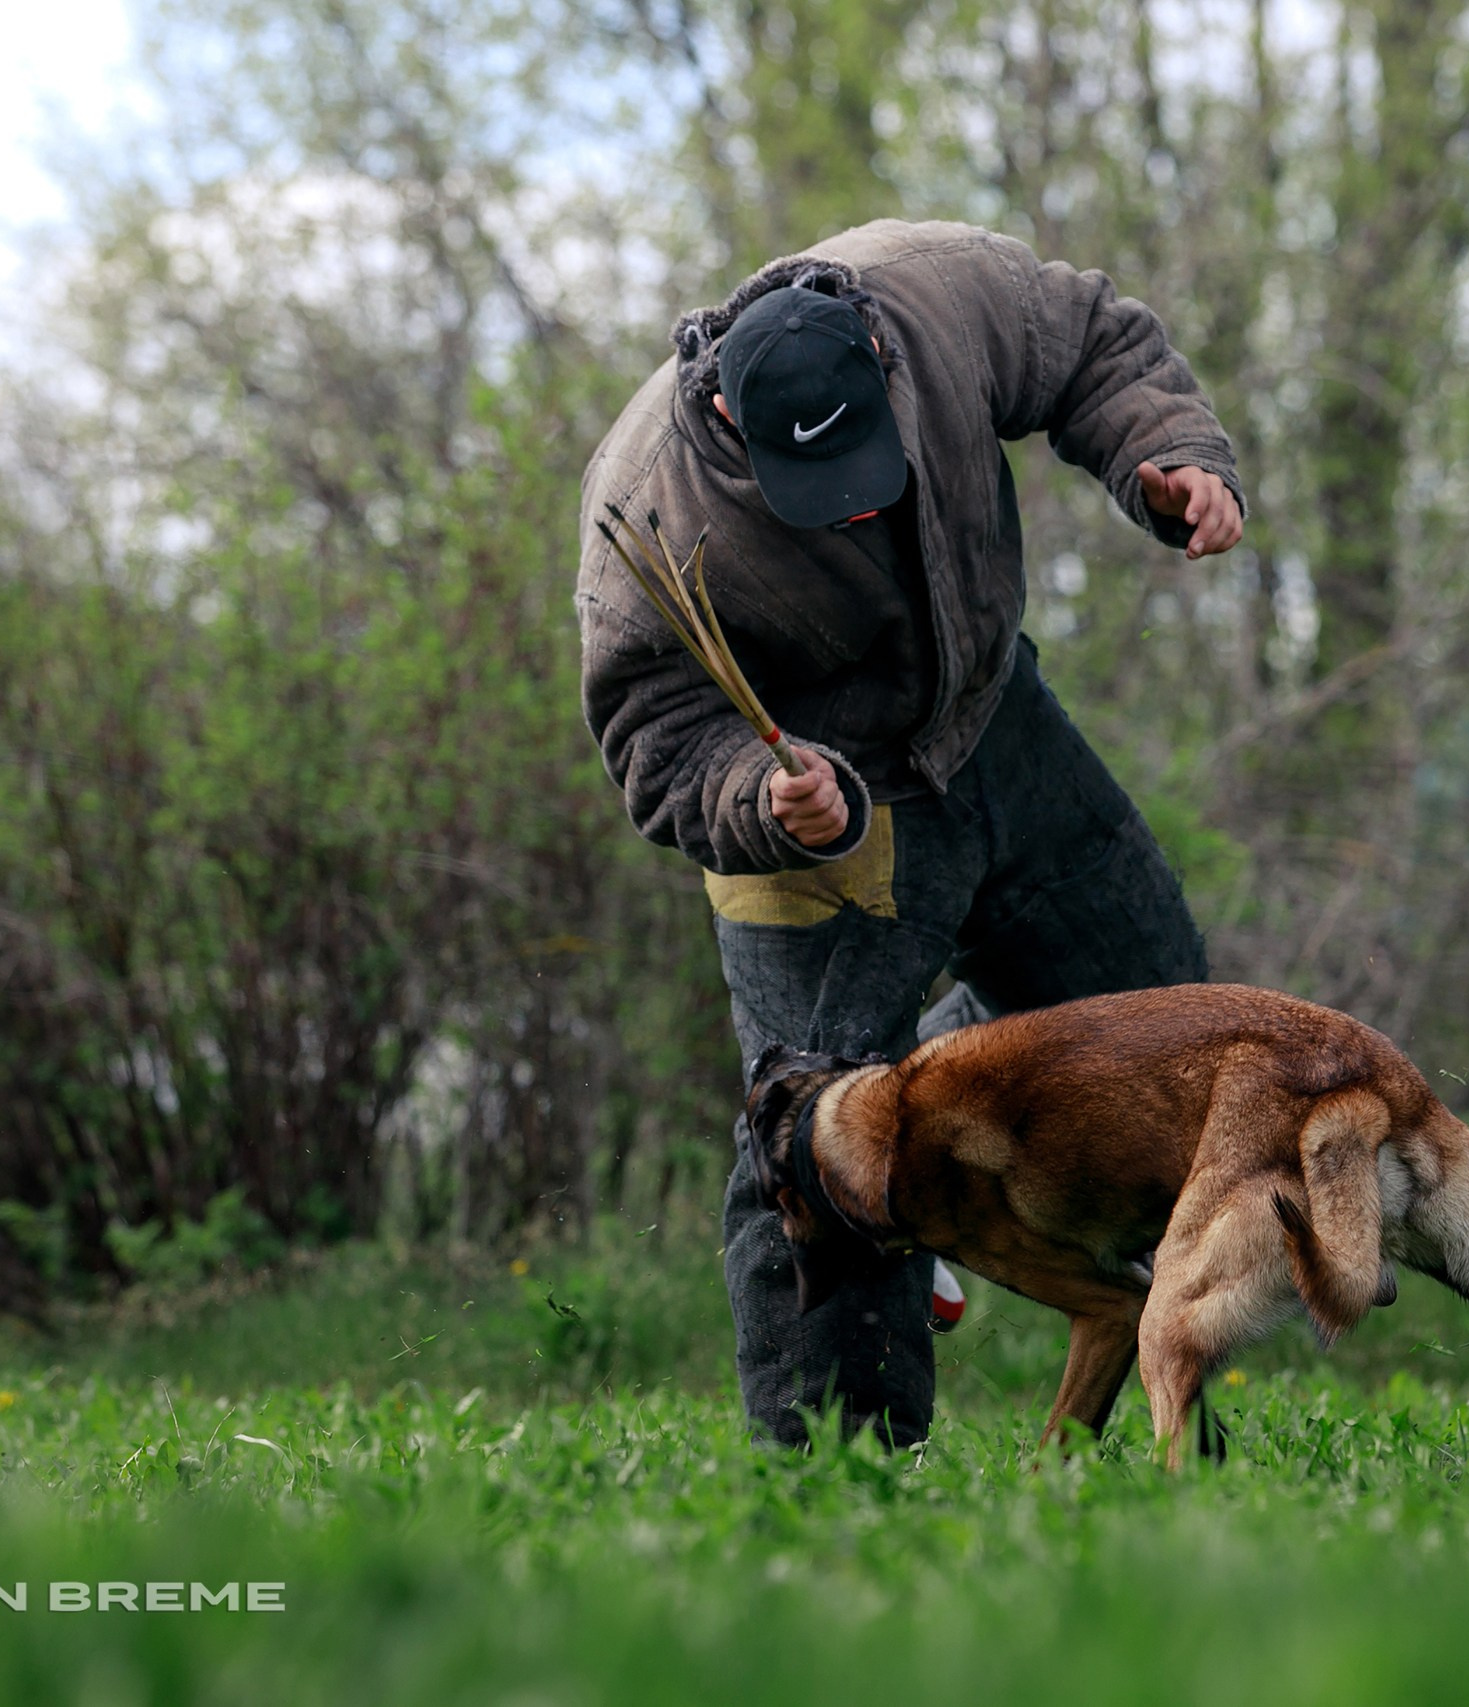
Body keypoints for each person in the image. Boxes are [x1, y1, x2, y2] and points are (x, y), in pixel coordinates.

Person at [576, 218, 1245, 1448]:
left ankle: (1167, 1419)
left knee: (1156, 1017)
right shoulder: (645, 518)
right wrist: (757, 798)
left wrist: (1165, 455)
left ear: (884, 362)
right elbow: (651, 732)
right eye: (813, 499)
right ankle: (843, 1472)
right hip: (813, 809)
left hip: (995, 722)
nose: (848, 519)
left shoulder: (943, 295)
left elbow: (1094, 347)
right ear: (728, 421)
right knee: (816, 1146)